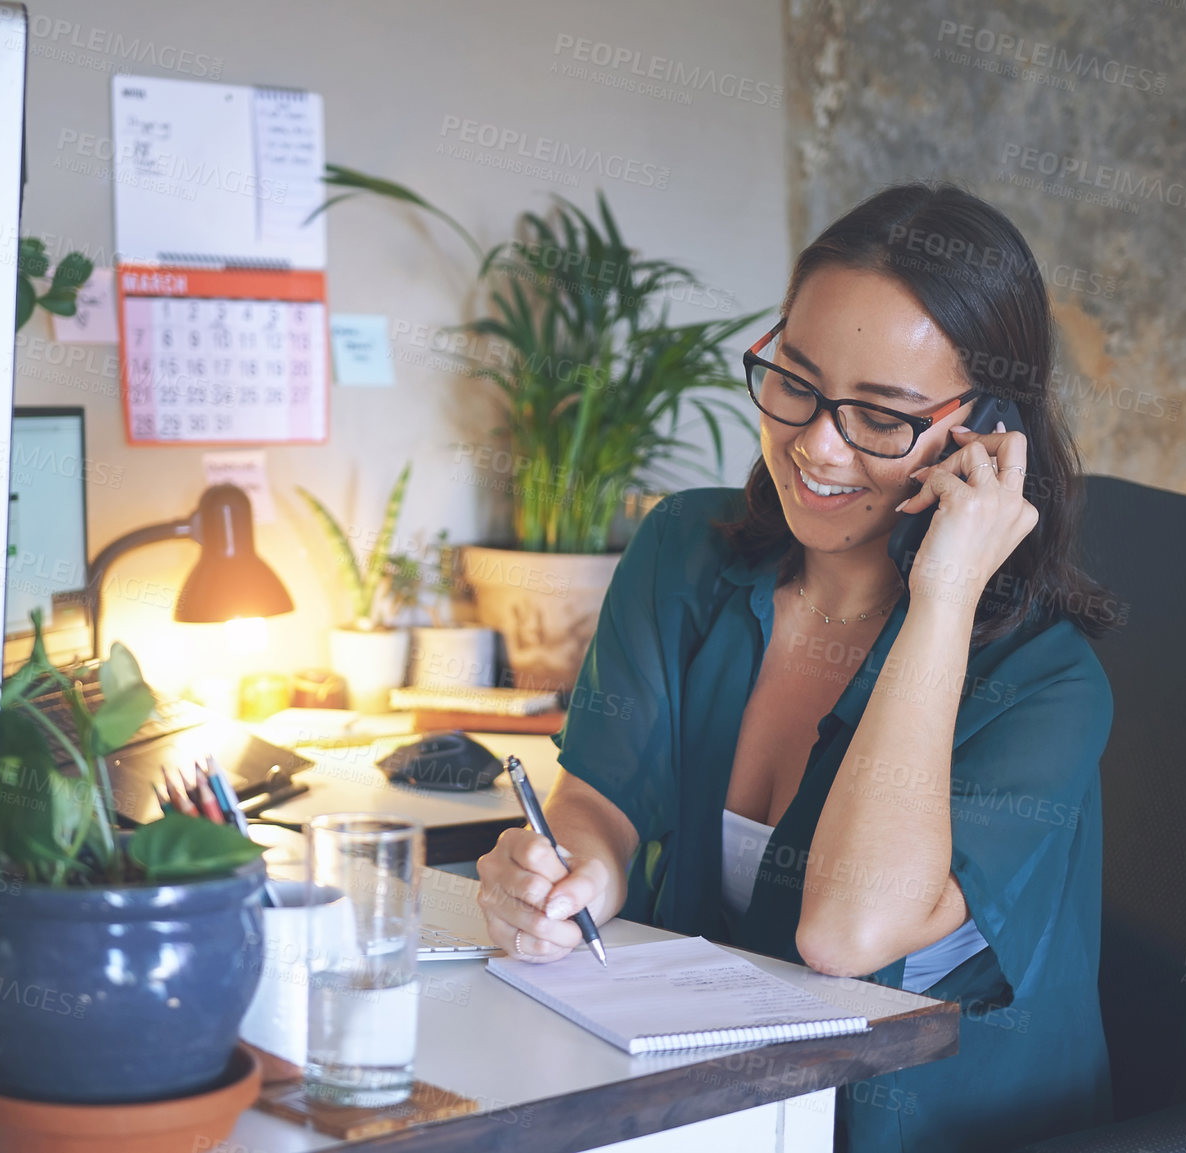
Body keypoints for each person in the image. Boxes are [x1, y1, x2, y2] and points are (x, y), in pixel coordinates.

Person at [476, 183, 1122, 1153]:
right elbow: (599, 800)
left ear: (985, 427)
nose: (816, 445)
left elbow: (845, 934)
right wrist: (571, 879)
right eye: (796, 381)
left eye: (881, 416)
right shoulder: (685, 553)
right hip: (701, 1109)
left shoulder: (1048, 686)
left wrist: (941, 597)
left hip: (928, 1133)